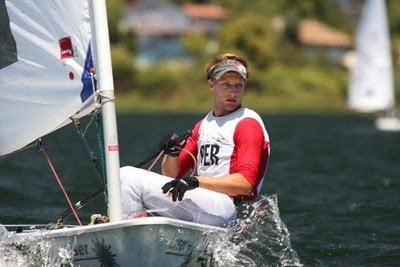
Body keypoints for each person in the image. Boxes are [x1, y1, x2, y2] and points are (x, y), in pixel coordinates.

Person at [120, 53, 270, 227]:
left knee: (128, 177)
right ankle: (131, 225)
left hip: (226, 208)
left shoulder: (247, 123)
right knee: (123, 179)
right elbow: (171, 176)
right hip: (205, 205)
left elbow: (245, 184)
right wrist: (172, 153)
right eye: (226, 85)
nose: (233, 92)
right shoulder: (203, 125)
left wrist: (195, 181)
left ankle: (128, 235)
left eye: (238, 86)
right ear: (211, 85)